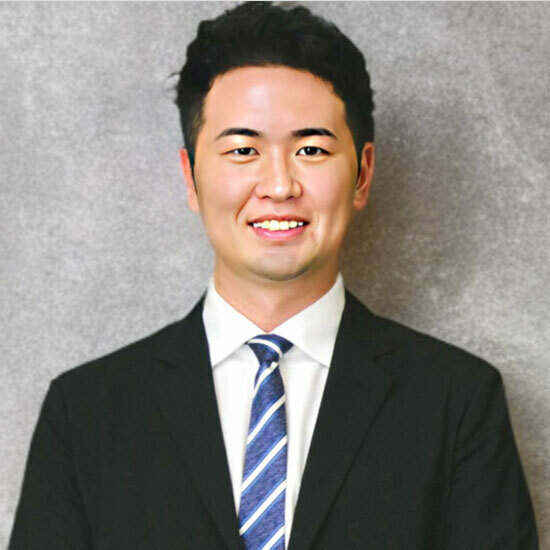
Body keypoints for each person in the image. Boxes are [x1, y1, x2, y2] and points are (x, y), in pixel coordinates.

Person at [9, 2, 538, 549]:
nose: (280, 185)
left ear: (362, 174)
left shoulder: (457, 402)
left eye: (311, 148)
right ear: (191, 177)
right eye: (243, 150)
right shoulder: (86, 413)